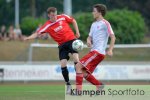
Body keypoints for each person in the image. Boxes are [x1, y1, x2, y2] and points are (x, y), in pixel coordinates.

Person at [24, 7, 80, 94]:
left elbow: (73, 21)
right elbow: (37, 33)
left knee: (76, 59)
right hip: (62, 45)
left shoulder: (62, 17)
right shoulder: (47, 25)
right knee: (63, 65)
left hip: (71, 41)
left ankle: (78, 84)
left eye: (55, 14)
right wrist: (28, 37)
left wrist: (77, 32)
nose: (54, 17)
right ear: (48, 15)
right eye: (52, 15)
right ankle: (68, 85)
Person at [75, 4, 116, 92]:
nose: (92, 12)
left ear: (100, 13)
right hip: (94, 51)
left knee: (78, 66)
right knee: (83, 72)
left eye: (94, 11)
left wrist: (110, 49)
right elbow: (89, 37)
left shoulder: (105, 23)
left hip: (98, 52)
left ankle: (78, 92)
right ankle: (99, 86)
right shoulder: (93, 24)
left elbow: (113, 37)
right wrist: (89, 41)